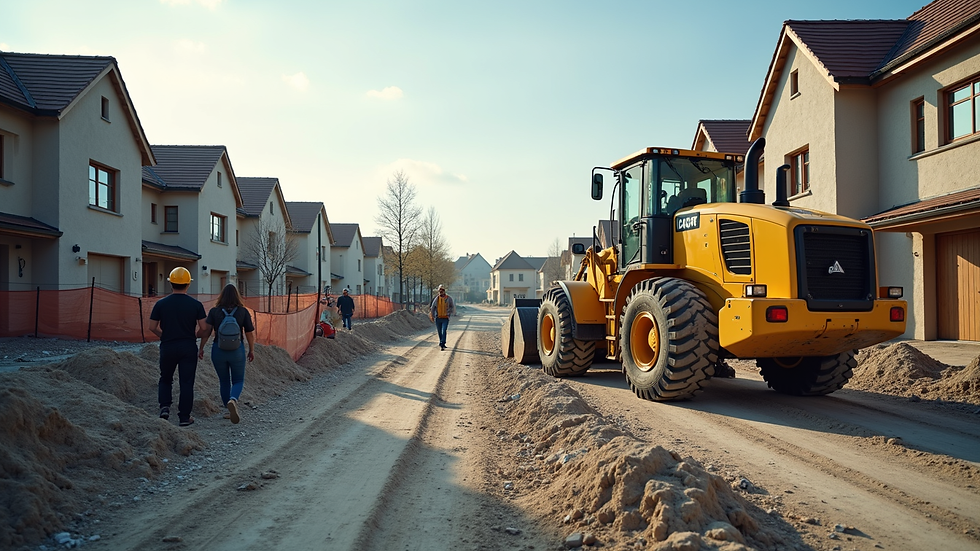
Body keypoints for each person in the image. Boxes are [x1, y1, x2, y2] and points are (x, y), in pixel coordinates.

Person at [149, 267, 207, 427]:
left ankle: (165, 407)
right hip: (188, 347)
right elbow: (204, 327)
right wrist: (194, 335)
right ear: (188, 284)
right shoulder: (196, 305)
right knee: (186, 382)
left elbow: (152, 326)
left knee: (165, 378)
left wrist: (164, 336)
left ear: (171, 284)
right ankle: (184, 417)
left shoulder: (161, 304)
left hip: (168, 346)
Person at [197, 284, 255, 424]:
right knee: (238, 380)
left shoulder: (214, 311)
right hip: (237, 351)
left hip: (219, 350)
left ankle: (228, 410)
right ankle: (233, 400)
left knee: (224, 381)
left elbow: (206, 332)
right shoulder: (243, 312)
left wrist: (201, 348)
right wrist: (251, 350)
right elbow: (249, 333)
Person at [429, 284, 456, 350]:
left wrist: (450, 312)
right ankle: (442, 342)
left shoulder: (449, 299)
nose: (441, 291)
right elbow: (432, 308)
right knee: (439, 331)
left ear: (444, 291)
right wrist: (432, 315)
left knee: (444, 330)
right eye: (440, 290)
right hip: (438, 318)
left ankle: (442, 343)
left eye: (442, 290)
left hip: (445, 318)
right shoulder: (436, 299)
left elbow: (452, 306)